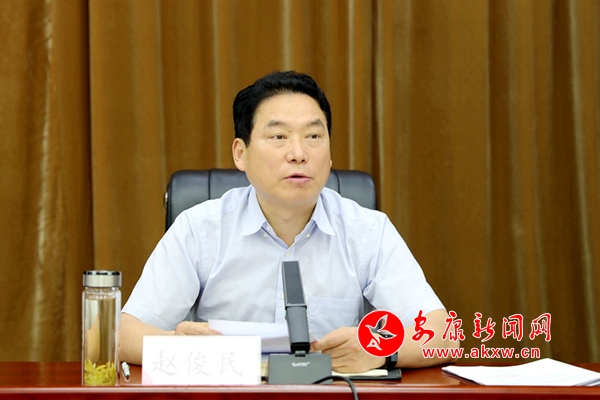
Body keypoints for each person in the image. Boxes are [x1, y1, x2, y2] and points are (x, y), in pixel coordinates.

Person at [120, 71, 459, 372]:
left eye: (314, 137)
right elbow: (121, 335)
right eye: (278, 137)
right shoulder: (199, 229)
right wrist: (176, 345)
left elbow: (444, 335)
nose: (299, 153)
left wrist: (381, 349)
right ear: (241, 153)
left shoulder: (368, 232)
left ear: (329, 153)